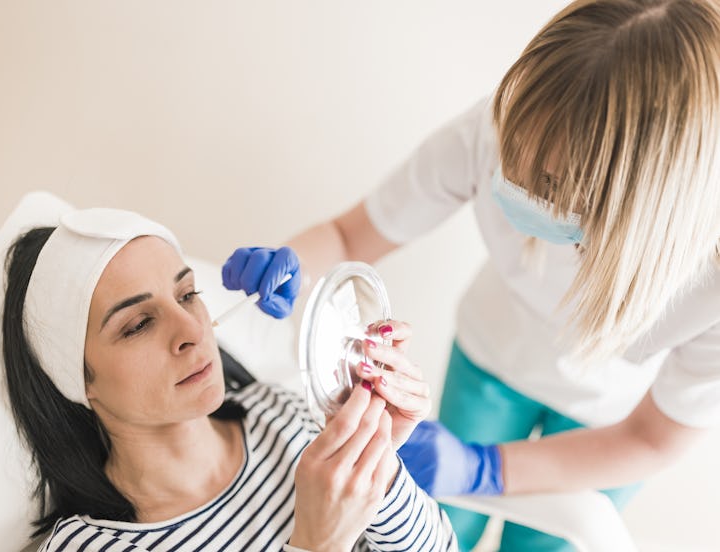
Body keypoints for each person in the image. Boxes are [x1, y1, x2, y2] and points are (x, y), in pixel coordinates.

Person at [222, 0, 720, 550]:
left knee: (548, 541)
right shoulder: (500, 125)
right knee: (435, 525)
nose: (517, 185)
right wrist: (288, 263)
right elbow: (349, 236)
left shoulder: (710, 283)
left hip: (609, 425)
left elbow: (652, 439)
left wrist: (485, 469)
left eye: (550, 187)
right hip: (489, 359)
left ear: (644, 211)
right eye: (512, 153)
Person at [1, 207, 456, 551]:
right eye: (138, 323)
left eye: (187, 294)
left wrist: (380, 460)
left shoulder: (278, 411)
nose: (191, 330)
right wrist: (316, 543)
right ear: (79, 380)